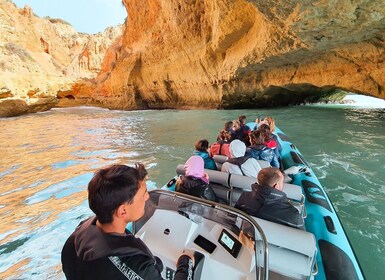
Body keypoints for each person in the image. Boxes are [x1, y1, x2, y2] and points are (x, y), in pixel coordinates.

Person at [61, 164, 194, 280]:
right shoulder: (137, 265)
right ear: (123, 211)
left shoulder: (76, 235)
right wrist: (185, 263)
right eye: (143, 194)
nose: (147, 197)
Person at [235, 167, 304, 228]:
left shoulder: (244, 197)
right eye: (282, 182)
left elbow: (236, 217)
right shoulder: (294, 215)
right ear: (276, 186)